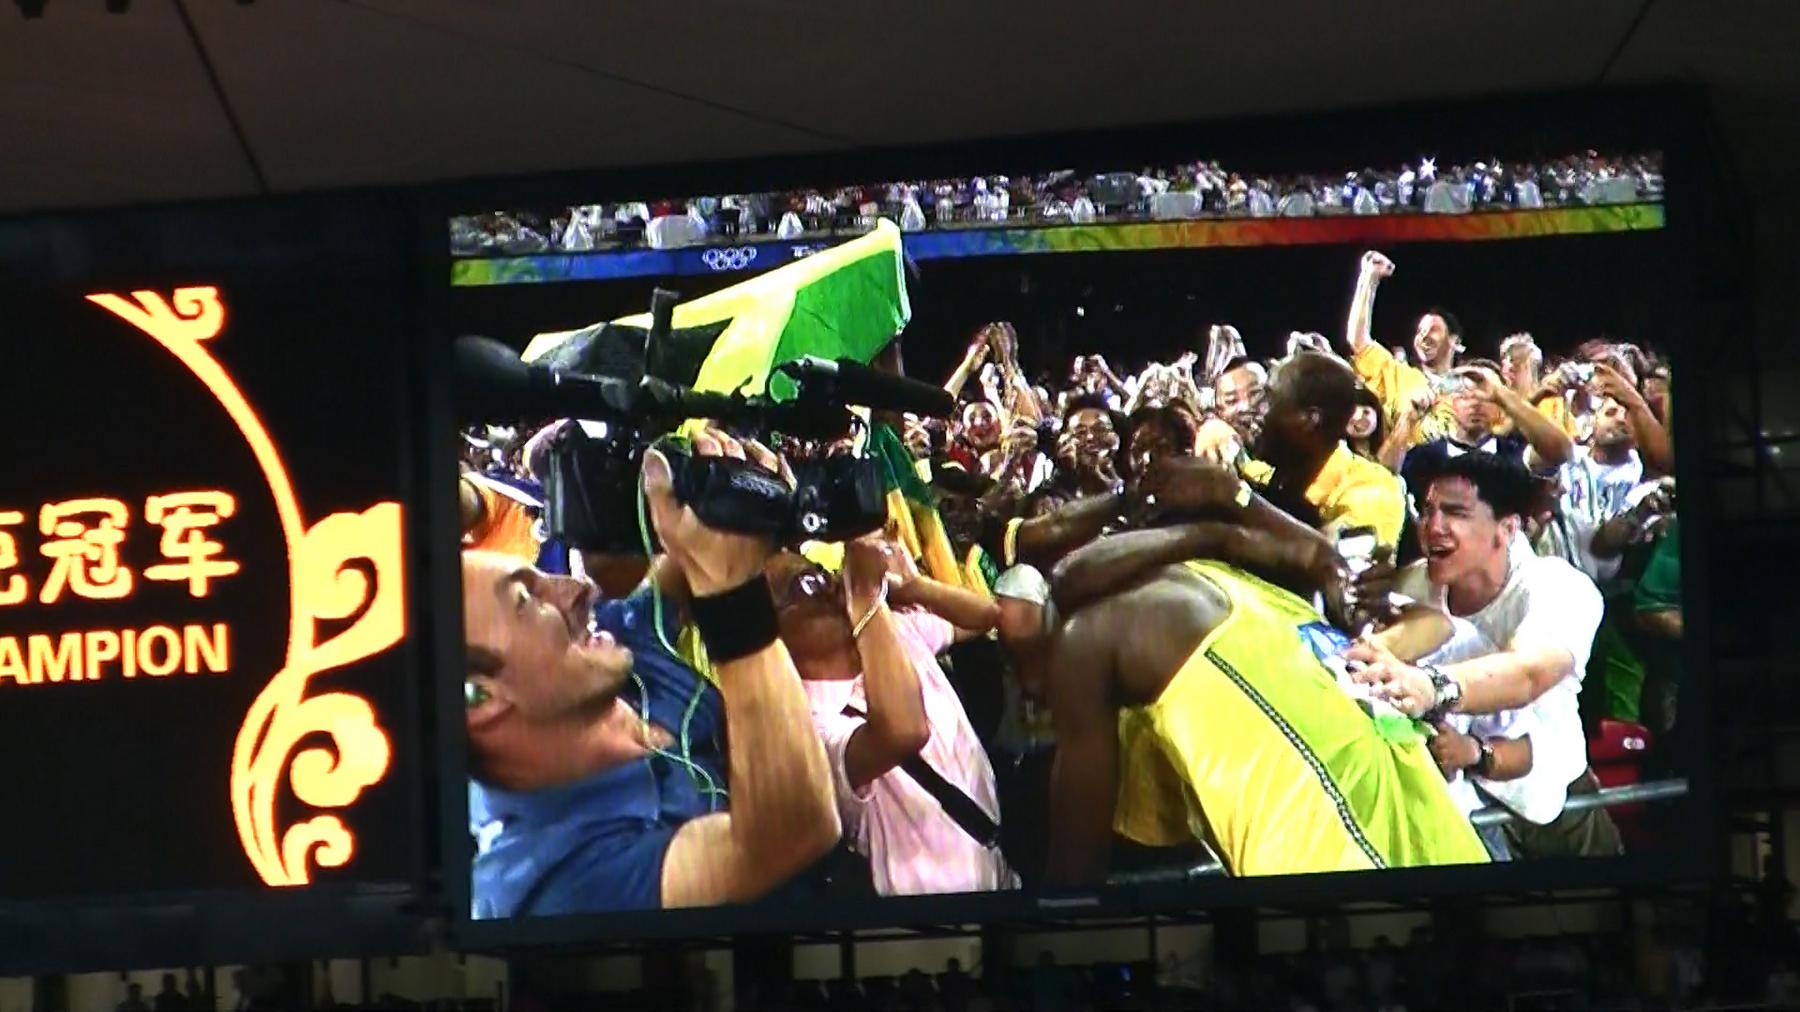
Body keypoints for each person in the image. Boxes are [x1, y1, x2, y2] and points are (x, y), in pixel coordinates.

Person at [1036, 464, 1489, 884]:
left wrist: (1226, 518)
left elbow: (1075, 880)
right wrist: (1223, 523)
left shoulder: (1107, 628)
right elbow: (1070, 575)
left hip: (1364, 855)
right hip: (1405, 846)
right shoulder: (1260, 598)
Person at [463, 429, 840, 915]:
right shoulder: (550, 884)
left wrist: (730, 495)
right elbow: (793, 830)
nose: (576, 591)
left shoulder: (610, 650)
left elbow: (687, 556)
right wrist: (733, 592)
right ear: (481, 699)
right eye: (526, 601)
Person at [1348, 451, 1620, 857]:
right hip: (1459, 804)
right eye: (1427, 511)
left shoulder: (1560, 587)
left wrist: (1431, 687)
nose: (1433, 527)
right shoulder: (1411, 586)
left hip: (1554, 804)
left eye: (1455, 513)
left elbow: (1527, 674)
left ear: (1506, 527)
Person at [772, 536, 1016, 896]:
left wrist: (917, 587)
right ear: (773, 637)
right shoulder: (811, 727)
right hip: (930, 924)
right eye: (804, 585)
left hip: (996, 870)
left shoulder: (896, 629)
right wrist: (867, 598)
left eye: (822, 574)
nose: (827, 587)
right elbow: (904, 731)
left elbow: (985, 616)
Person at [1249, 352, 1406, 550]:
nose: (1256, 411)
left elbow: (1338, 568)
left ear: (1309, 419)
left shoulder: (1373, 489)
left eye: (1269, 401)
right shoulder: (1271, 471)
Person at [1342, 250, 1459, 447]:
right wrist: (1369, 279)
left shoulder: (1474, 385)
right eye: (1420, 331)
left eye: (1434, 330)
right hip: (1401, 472)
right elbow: (1358, 339)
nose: (1424, 337)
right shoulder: (1399, 376)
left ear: (1454, 341)